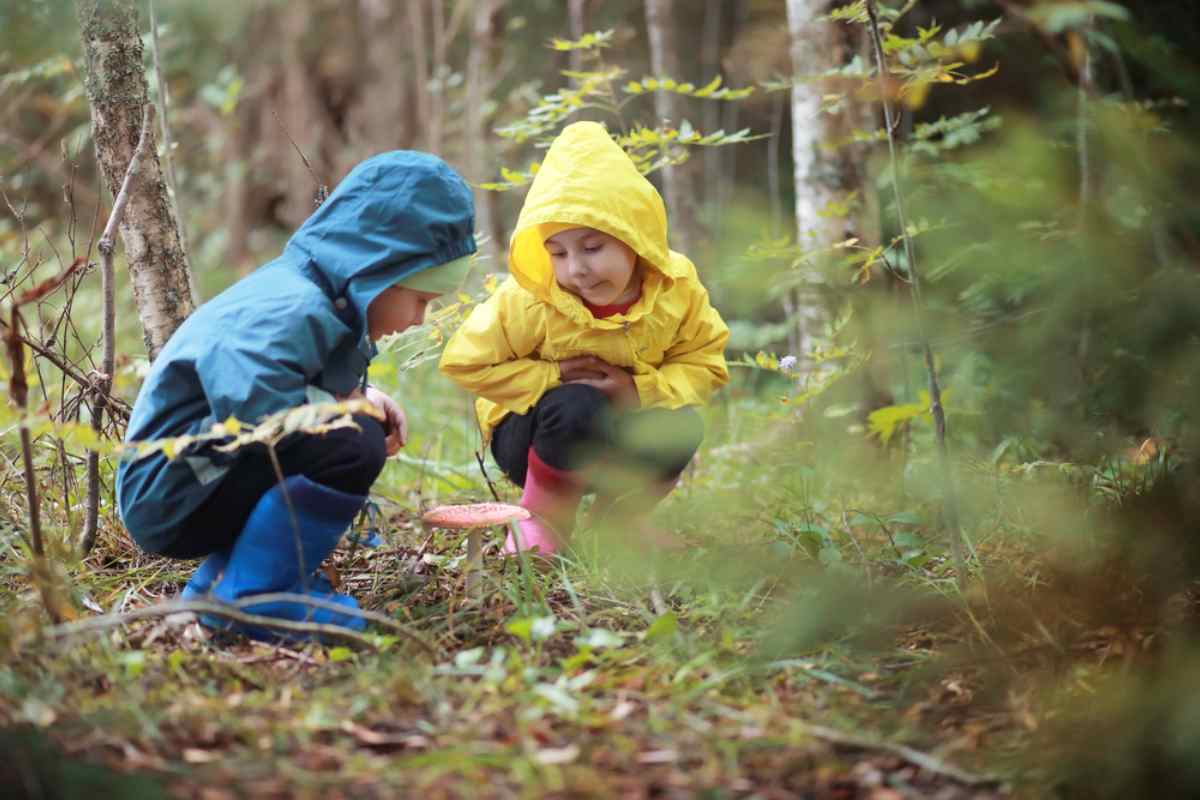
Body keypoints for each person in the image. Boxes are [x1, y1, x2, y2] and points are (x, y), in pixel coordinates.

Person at [117, 151, 476, 640]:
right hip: (173, 489)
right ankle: (258, 601)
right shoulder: (289, 303)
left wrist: (363, 394)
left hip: (198, 475)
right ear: (378, 271)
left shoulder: (321, 298)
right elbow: (254, 403)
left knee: (349, 429)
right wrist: (347, 409)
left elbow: (292, 379)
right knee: (351, 440)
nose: (419, 320)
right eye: (420, 299)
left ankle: (221, 585)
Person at [439, 121, 729, 557]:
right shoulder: (530, 300)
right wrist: (551, 374)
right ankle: (541, 521)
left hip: (622, 433)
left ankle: (620, 523)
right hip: (536, 438)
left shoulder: (675, 287)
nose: (576, 269)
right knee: (577, 404)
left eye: (593, 248)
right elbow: (464, 361)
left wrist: (639, 390)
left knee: (681, 424)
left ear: (635, 239)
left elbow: (706, 362)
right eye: (558, 253)